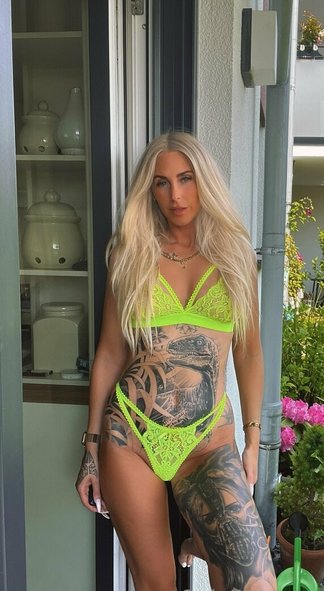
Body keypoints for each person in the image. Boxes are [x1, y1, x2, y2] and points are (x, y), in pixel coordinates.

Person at [75, 132, 276, 591]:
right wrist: (91, 447)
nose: (176, 195)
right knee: (156, 584)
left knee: (256, 581)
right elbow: (110, 353)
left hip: (207, 440)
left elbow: (248, 351)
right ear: (150, 190)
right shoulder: (131, 256)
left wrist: (252, 440)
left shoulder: (234, 256)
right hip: (131, 436)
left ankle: (199, 539)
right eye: (162, 183)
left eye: (186, 179)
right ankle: (197, 538)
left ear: (204, 180)